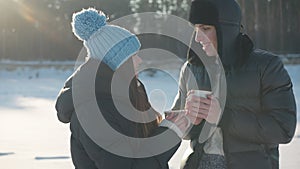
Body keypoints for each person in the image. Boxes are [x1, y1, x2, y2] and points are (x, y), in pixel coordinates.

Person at [55, 8, 190, 169]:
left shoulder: (130, 93)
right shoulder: (93, 111)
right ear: (118, 63)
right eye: (133, 56)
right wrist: (170, 134)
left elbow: (140, 150)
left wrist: (166, 126)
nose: (140, 60)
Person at [171, 0, 297, 169]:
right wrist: (188, 120)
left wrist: (223, 117)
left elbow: (283, 129)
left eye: (206, 29)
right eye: (196, 28)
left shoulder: (267, 66)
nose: (197, 37)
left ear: (226, 29)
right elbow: (180, 128)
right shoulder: (191, 68)